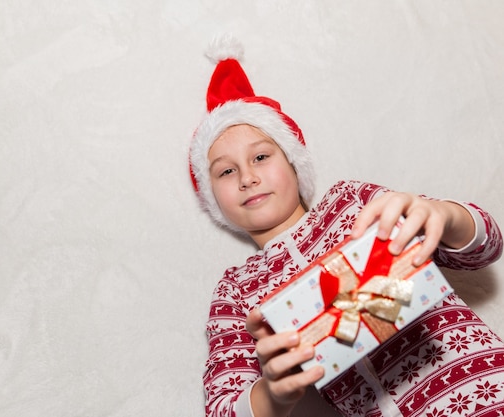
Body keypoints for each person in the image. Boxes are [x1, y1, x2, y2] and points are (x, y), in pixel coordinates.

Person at [190, 36, 504, 417]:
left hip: (486, 390)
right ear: (213, 199)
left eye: (260, 156)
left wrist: (444, 216)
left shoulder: (352, 203)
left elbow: (484, 249)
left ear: (293, 163)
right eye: (225, 171)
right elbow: (222, 408)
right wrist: (272, 394)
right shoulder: (236, 292)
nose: (247, 177)